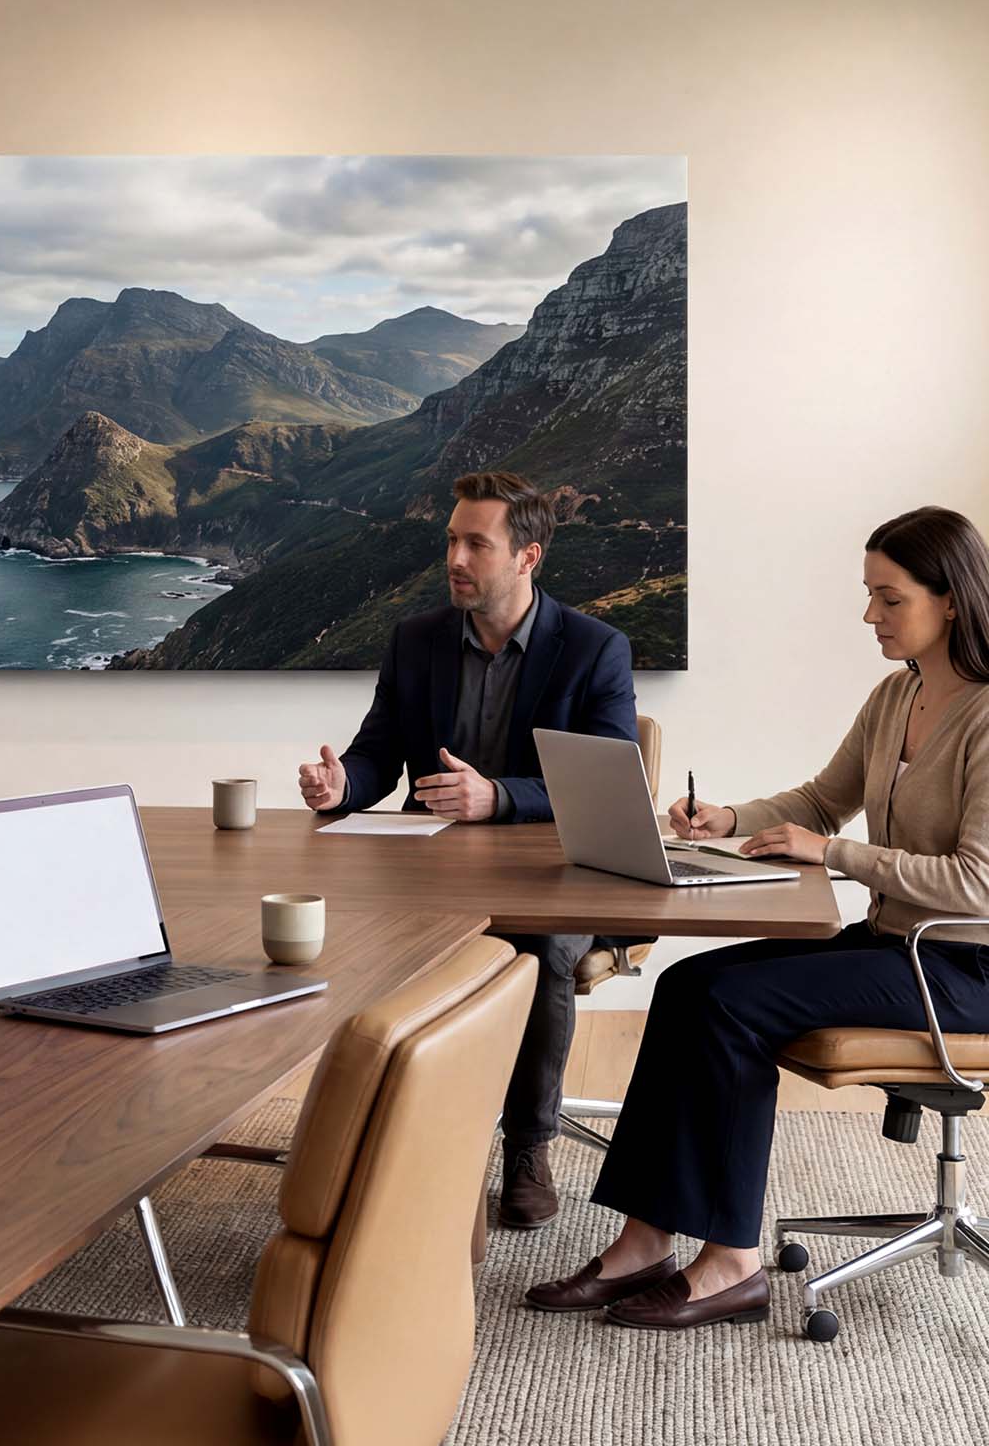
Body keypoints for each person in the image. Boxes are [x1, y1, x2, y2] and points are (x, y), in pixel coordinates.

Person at [528, 505, 989, 1331]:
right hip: (896, 944)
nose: (869, 617)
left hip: (965, 969)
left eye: (889, 599)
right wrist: (729, 819)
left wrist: (833, 855)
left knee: (733, 1004)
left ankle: (733, 1261)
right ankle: (645, 1239)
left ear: (950, 599)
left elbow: (977, 883)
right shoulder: (897, 696)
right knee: (691, 983)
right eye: (869, 596)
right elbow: (822, 800)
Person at [298, 470, 638, 1228]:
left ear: (527, 557)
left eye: (475, 544)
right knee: (348, 938)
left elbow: (612, 787)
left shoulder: (594, 649)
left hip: (553, 877)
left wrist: (501, 796)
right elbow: (377, 755)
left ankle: (528, 1146)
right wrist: (337, 785)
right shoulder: (415, 641)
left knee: (542, 952)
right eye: (452, 540)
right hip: (432, 874)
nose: (454, 557)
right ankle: (390, 1139)